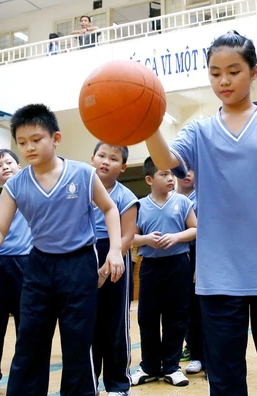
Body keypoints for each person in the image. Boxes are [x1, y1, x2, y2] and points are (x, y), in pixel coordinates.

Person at [144, 30, 257, 396]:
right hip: (218, 275)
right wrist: (147, 126)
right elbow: (167, 160)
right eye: (215, 72)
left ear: (254, 72)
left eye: (234, 71)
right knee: (224, 381)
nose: (223, 80)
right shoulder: (200, 130)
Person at [0, 103, 125, 396]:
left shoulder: (82, 174)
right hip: (38, 265)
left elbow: (110, 208)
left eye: (36, 139)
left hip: (79, 262)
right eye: (22, 142)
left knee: (78, 340)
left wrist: (115, 249)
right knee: (30, 340)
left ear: (56, 139)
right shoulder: (15, 185)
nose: (28, 148)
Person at [131, 157, 197, 387]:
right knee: (147, 318)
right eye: (164, 174)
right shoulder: (140, 206)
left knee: (176, 318)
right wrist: (147, 239)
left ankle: (171, 366)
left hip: (178, 265)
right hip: (150, 268)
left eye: (171, 174)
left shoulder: (182, 202)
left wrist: (177, 236)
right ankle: (149, 366)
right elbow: (131, 236)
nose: (170, 178)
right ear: (149, 179)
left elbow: (195, 229)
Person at [0, 149, 33, 396]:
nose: (5, 167)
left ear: (19, 167)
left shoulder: (30, 193)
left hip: (26, 263)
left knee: (27, 324)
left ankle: (26, 374)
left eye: (10, 162)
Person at [89, 142, 138, 396]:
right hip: (86, 253)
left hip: (115, 254)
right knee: (87, 323)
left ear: (123, 167)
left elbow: (128, 235)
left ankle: (118, 384)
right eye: (101, 156)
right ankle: (89, 383)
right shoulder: (80, 191)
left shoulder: (125, 196)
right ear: (92, 159)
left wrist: (109, 264)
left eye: (113, 158)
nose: (106, 161)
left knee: (115, 323)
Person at [177, 169, 204, 375]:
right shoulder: (170, 198)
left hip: (198, 252)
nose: (186, 174)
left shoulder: (202, 196)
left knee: (198, 308)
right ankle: (189, 346)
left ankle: (199, 354)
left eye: (191, 170)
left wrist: (200, 264)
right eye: (181, 170)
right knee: (182, 307)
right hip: (176, 256)